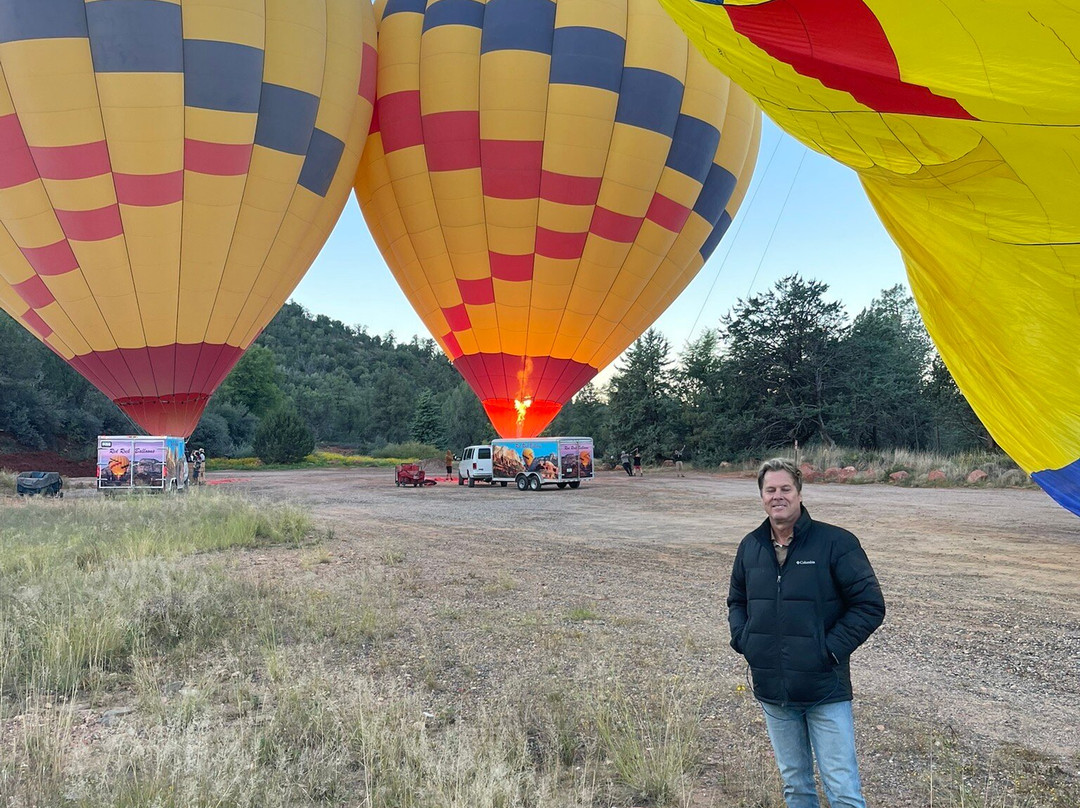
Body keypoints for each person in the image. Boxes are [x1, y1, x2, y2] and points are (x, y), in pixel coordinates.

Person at [728, 458, 885, 808]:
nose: (778, 496)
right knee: (795, 786)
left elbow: (869, 605)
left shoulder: (836, 543)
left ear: (799, 493)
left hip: (824, 688)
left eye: (786, 488)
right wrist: (745, 641)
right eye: (770, 490)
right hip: (774, 690)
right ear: (761, 496)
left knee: (842, 789)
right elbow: (737, 601)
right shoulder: (750, 546)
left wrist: (827, 651)